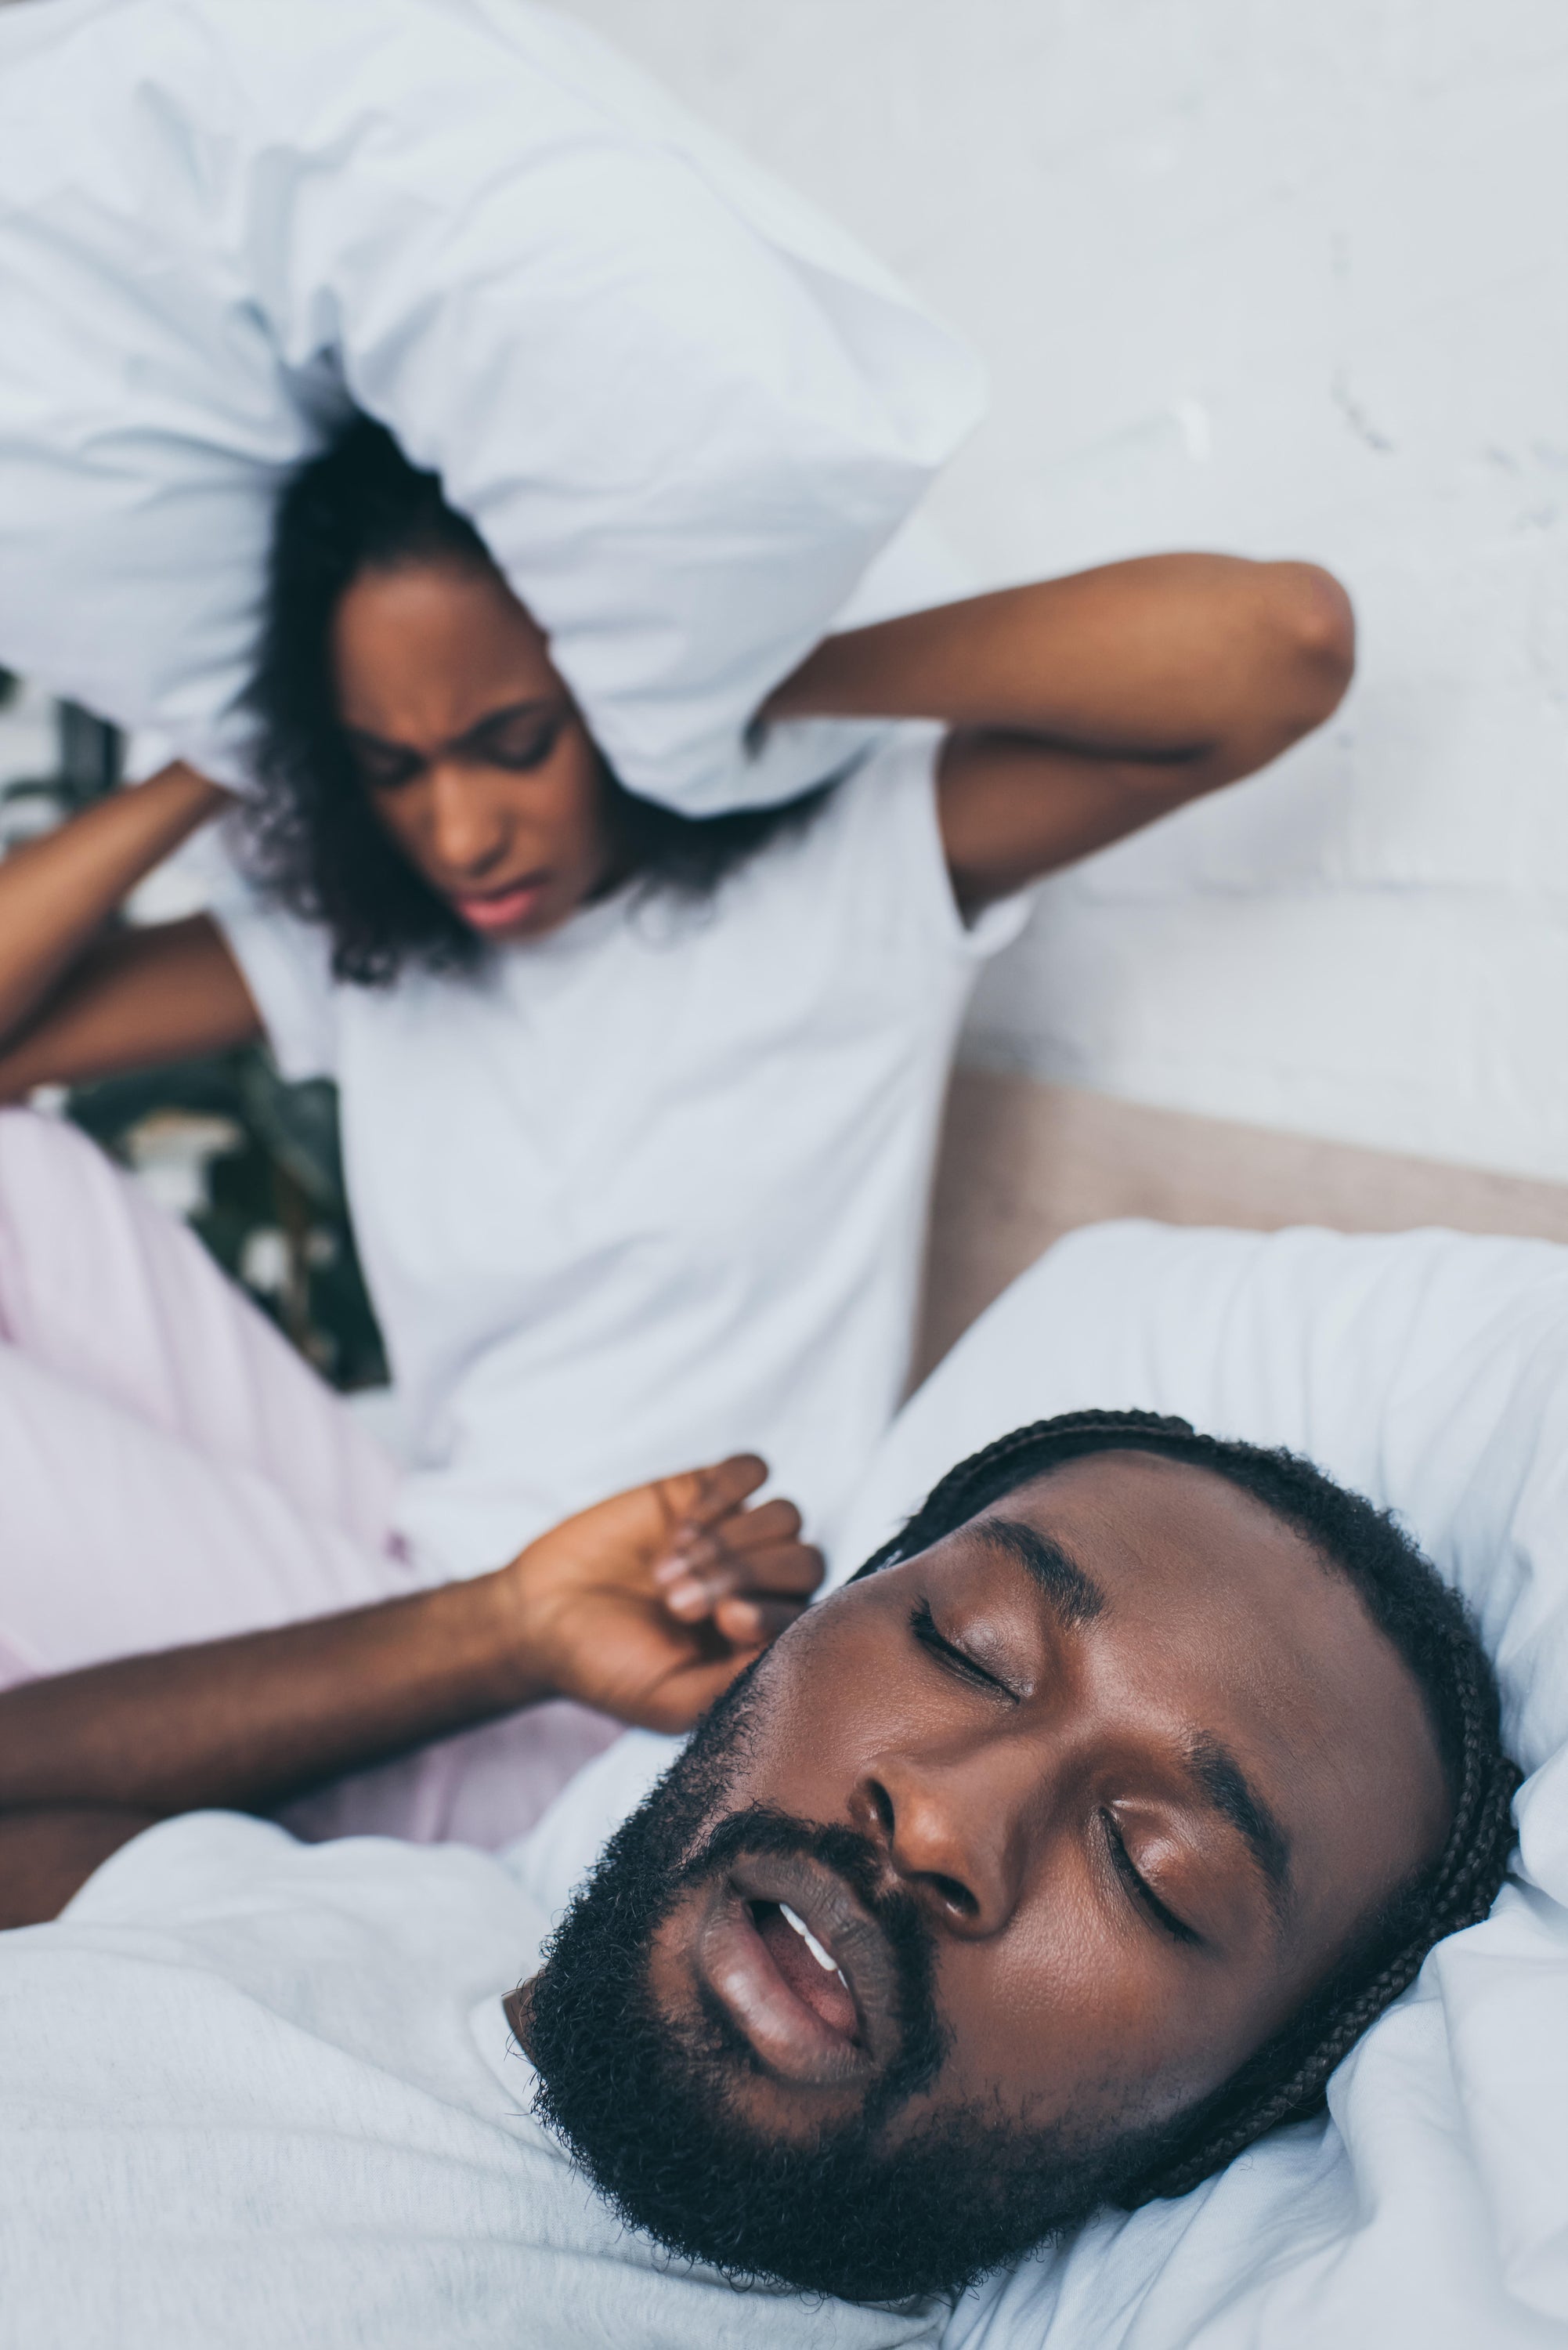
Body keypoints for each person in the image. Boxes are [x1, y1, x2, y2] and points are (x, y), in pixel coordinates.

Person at [0, 416, 1357, 1602]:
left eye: (514, 740)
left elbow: (1279, 648)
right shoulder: (382, 942)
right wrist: (241, 745)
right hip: (402, 1571)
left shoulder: (838, 878)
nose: (460, 829)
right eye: (393, 765)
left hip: (617, 1660)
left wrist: (720, 675)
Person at [0, 1411, 1518, 2343]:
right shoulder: (378, 1912)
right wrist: (500, 1632)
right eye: (961, 1648)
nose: (937, 1824)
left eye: (1150, 1871)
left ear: (1220, 2121)